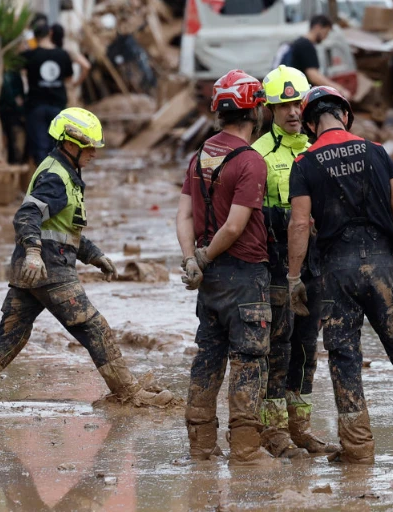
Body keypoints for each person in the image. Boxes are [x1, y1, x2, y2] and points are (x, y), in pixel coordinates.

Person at [0, 107, 173, 410]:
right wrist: (33, 253)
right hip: (49, 270)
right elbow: (27, 216)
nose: (94, 153)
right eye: (90, 147)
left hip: (35, 269)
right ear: (70, 143)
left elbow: (63, 230)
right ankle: (129, 393)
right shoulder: (55, 177)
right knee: (94, 327)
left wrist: (95, 256)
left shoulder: (65, 173)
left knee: (10, 336)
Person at [287, 86, 393, 464]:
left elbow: (299, 224)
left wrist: (294, 277)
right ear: (345, 115)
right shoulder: (376, 152)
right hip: (382, 266)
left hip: (336, 271)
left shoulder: (305, 163)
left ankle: (358, 450)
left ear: (309, 123)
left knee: (343, 355)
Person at [176, 69, 274, 466]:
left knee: (208, 357)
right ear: (255, 112)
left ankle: (200, 449)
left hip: (209, 278)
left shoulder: (200, 155)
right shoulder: (251, 161)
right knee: (249, 360)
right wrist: (207, 256)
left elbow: (183, 216)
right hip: (244, 273)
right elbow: (235, 226)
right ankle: (247, 452)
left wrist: (191, 259)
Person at [252, 65, 338, 458]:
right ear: (269, 108)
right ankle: (273, 431)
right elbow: (248, 214)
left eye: (296, 104)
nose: (291, 113)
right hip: (275, 266)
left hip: (316, 263)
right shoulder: (257, 155)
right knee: (277, 346)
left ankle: (300, 426)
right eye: (283, 105)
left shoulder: (318, 148)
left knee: (307, 343)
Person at [21, 21, 73, 166]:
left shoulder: (29, 55)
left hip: (35, 106)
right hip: (58, 106)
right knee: (57, 147)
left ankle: (44, 181)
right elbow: (69, 78)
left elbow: (19, 69)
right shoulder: (63, 55)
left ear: (34, 36)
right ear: (50, 33)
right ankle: (55, 180)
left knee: (40, 148)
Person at [276, 15, 351, 100]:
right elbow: (313, 75)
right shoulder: (306, 45)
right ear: (317, 27)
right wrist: (338, 89)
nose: (325, 37)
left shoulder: (298, 42)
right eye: (326, 32)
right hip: (297, 94)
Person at [50, 23, 91, 105]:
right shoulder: (67, 52)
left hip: (50, 90)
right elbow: (86, 66)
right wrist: (76, 83)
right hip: (67, 89)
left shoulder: (46, 52)